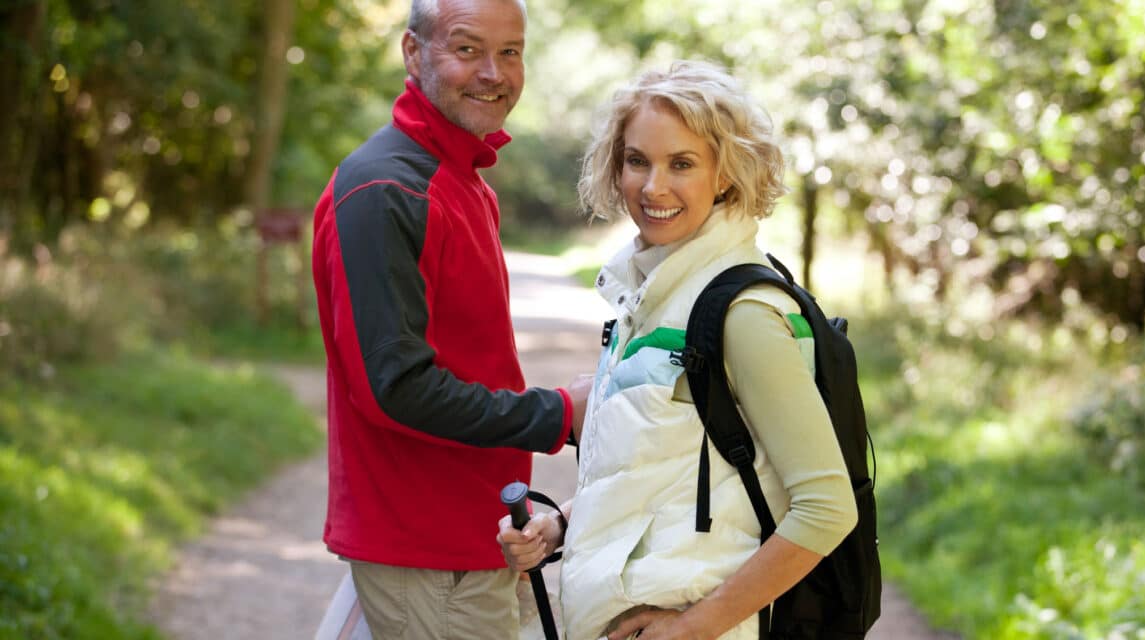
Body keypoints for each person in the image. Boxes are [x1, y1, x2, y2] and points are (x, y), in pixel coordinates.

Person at [497, 61, 858, 640]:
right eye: (637, 160)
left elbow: (827, 507)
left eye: (682, 164)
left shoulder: (743, 313)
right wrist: (562, 526)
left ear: (726, 174)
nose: (652, 187)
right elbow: (660, 473)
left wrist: (693, 627)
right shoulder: (651, 298)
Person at [310, 0, 589, 638]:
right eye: (466, 49)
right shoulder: (386, 191)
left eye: (511, 51)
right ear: (414, 53)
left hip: (475, 537)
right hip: (428, 555)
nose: (494, 71)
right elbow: (396, 389)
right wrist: (558, 413)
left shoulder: (463, 181)